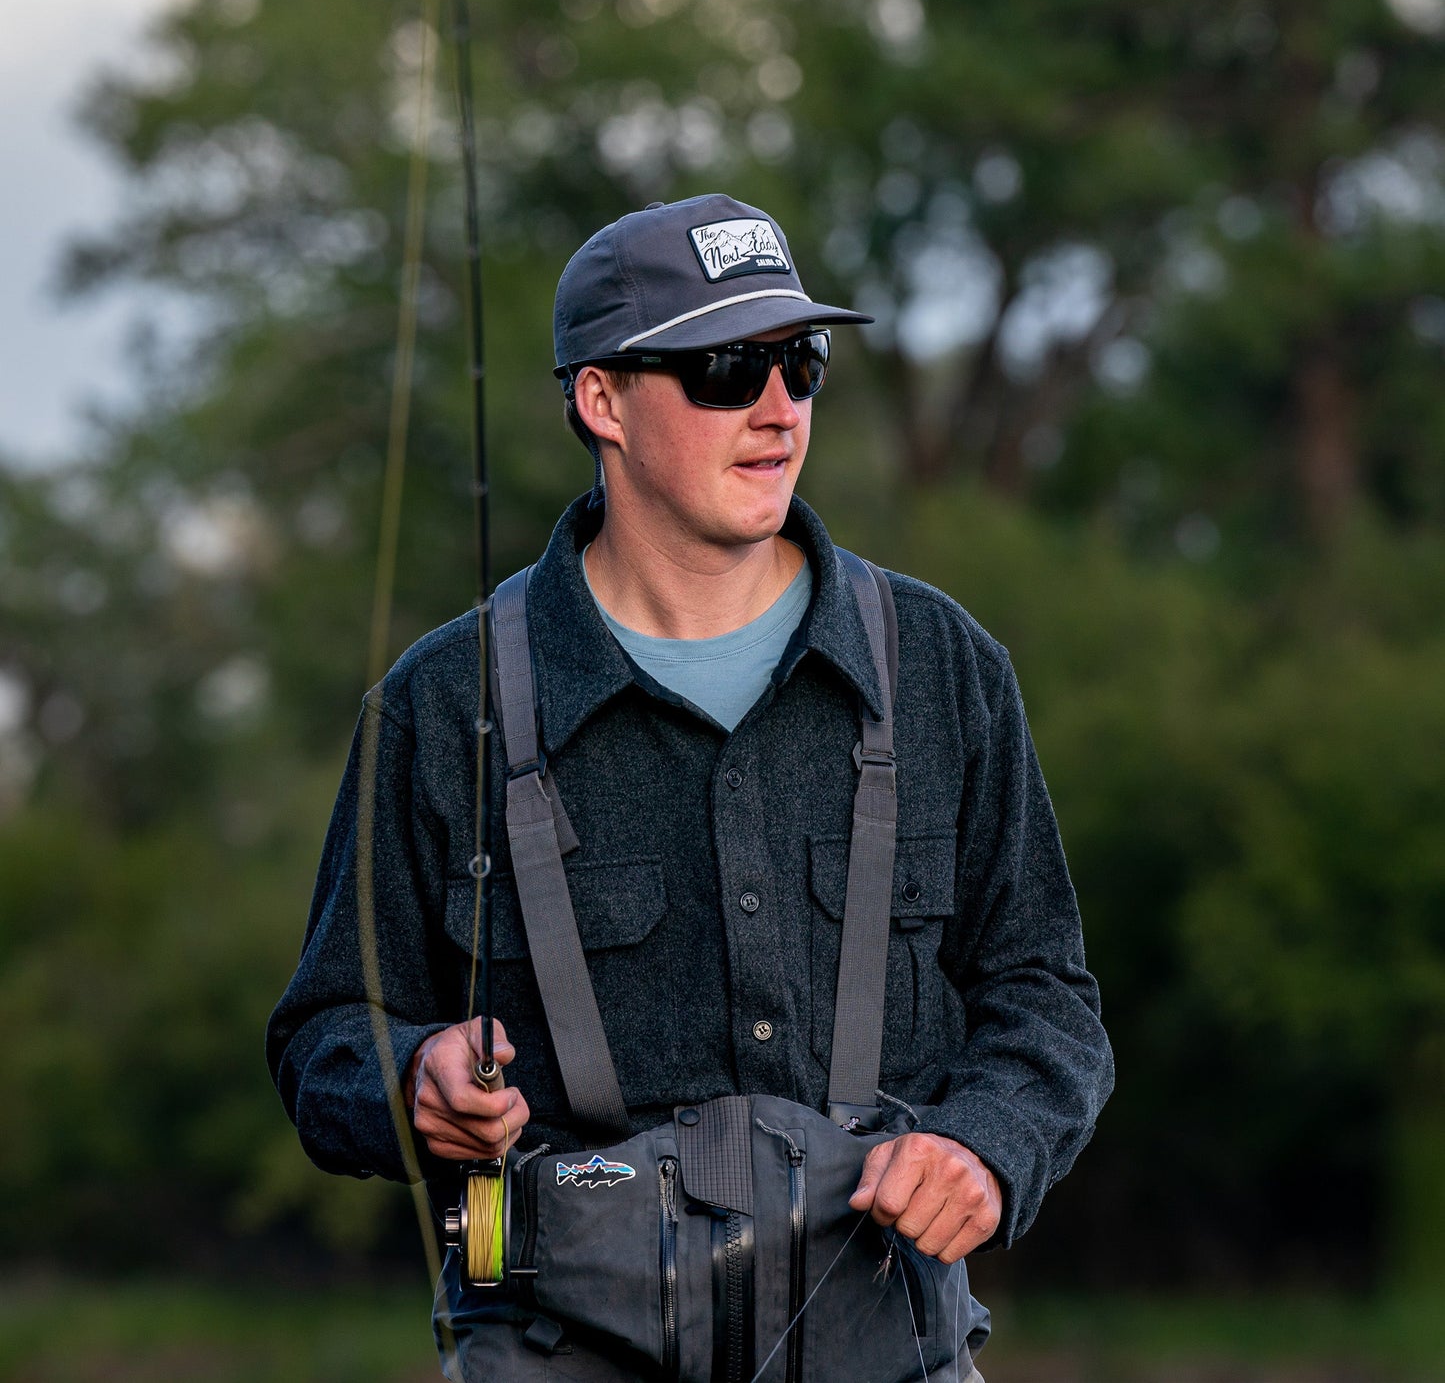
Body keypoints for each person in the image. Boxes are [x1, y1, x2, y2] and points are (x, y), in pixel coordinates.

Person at [267, 193, 1114, 1380]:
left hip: (889, 1343)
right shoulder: (434, 701)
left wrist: (982, 1146)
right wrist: (414, 1077)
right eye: (724, 368)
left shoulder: (941, 665)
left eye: (799, 362)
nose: (777, 408)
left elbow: (1047, 1000)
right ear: (600, 401)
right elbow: (319, 1038)